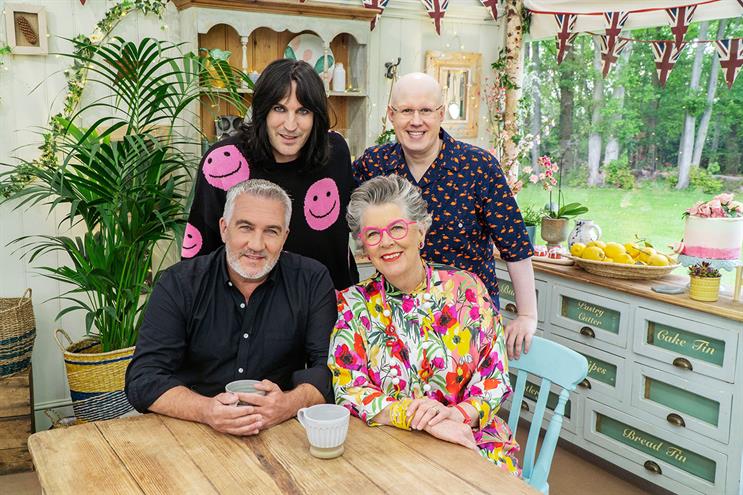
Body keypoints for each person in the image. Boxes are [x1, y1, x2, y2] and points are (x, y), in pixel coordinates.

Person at [328, 175, 520, 475]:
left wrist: (455, 416)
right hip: (391, 447)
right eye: (373, 234)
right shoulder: (353, 304)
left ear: (421, 232)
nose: (387, 242)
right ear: (363, 246)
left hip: (470, 439)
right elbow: (349, 388)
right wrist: (420, 419)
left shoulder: (467, 290)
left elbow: (494, 378)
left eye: (397, 228)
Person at [126, 179, 336, 436]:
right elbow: (143, 378)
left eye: (271, 231)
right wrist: (206, 410)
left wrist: (288, 404)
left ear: (285, 237)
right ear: (224, 229)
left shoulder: (312, 280)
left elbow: (330, 368)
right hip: (188, 428)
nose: (257, 245)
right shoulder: (180, 283)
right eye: (246, 227)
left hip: (279, 430)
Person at [353, 72, 537, 358]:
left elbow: (515, 244)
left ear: (441, 114)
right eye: (406, 111)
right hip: (396, 318)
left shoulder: (478, 166)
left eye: (425, 110)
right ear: (391, 115)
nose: (416, 121)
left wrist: (527, 315)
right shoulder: (375, 163)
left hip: (468, 317)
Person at [183, 58, 358, 290]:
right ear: (262, 110)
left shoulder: (335, 152)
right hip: (245, 313)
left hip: (328, 304)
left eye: (303, 111)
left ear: (316, 116)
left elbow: (343, 238)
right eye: (279, 108)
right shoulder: (224, 163)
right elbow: (200, 254)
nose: (290, 125)